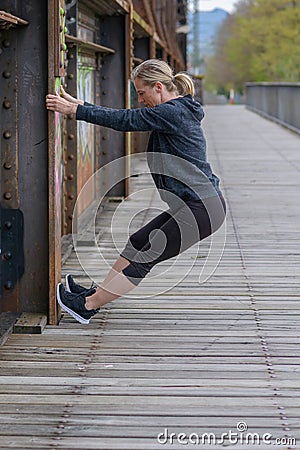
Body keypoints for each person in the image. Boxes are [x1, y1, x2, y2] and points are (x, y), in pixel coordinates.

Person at [46, 59, 226, 325]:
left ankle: (87, 306)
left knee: (145, 257)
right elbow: (126, 115)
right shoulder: (175, 110)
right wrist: (81, 105)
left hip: (202, 208)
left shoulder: (172, 113)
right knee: (138, 241)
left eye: (142, 93)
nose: (140, 99)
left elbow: (125, 120)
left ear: (158, 88)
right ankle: (96, 294)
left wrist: (75, 110)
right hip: (195, 205)